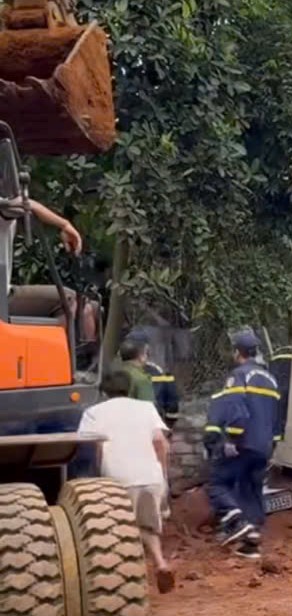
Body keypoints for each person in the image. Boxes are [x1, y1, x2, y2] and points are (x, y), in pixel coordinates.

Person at [77, 369, 175, 593]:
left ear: (103, 391)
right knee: (149, 526)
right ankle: (160, 562)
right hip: (151, 475)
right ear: (129, 388)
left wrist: (101, 473)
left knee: (121, 531)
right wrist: (162, 473)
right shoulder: (146, 408)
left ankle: (131, 579)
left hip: (117, 477)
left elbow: (95, 446)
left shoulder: (93, 412)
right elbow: (160, 442)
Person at [203, 331, 280, 560]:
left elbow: (236, 410)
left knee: (218, 484)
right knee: (252, 490)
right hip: (263, 447)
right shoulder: (271, 379)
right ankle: (251, 544)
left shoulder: (238, 376)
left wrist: (232, 440)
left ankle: (235, 521)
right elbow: (276, 419)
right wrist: (271, 447)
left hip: (243, 443)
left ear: (237, 352)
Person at [4, 197, 97, 342]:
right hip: (3, 296)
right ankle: (51, 355)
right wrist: (64, 224)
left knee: (88, 307)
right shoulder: (5, 206)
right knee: (71, 301)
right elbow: (25, 204)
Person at [126, 328, 181, 431]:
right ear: (146, 349)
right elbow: (172, 405)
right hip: (152, 427)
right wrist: (169, 427)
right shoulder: (160, 372)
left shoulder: (117, 372)